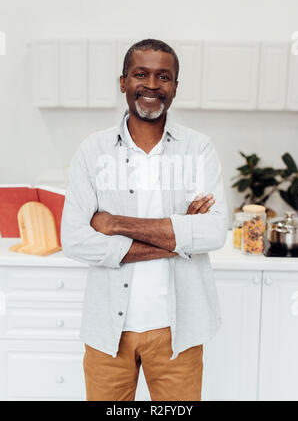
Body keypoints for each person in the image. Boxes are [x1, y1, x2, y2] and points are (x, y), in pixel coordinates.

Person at [61, 38, 228, 401]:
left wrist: (115, 223)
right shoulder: (93, 151)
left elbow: (214, 231)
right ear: (123, 82)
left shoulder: (198, 149)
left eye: (163, 76)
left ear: (175, 87)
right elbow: (74, 238)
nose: (152, 85)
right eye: (141, 74)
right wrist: (180, 237)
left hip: (178, 329)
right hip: (107, 330)